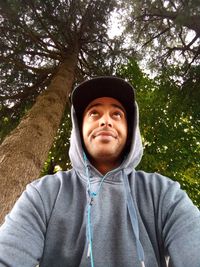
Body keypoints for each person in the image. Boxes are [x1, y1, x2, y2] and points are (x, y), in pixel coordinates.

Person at [0, 76, 200, 267]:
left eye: (117, 114)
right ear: (79, 129)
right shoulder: (44, 193)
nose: (106, 121)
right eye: (94, 113)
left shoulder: (164, 193)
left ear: (130, 131)